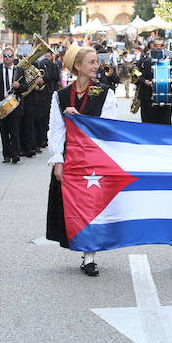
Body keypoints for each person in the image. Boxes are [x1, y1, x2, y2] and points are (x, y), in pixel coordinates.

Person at [46, 45, 117, 276]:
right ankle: (82, 247)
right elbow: (56, 130)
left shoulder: (105, 93)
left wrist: (82, 119)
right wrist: (58, 160)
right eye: (91, 62)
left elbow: (109, 128)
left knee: (92, 205)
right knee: (74, 206)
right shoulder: (61, 95)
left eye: (97, 62)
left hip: (94, 157)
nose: (96, 66)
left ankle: (90, 256)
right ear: (77, 66)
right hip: (71, 158)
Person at [0, 48, 25, 164]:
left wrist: (19, 85)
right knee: (3, 131)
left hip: (15, 103)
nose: (7, 58)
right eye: (5, 56)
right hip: (0, 103)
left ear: (13, 57)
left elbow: (26, 86)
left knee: (14, 130)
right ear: (2, 57)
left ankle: (15, 154)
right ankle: (6, 155)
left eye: (10, 56)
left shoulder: (19, 70)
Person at [136, 37, 172, 125]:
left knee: (165, 124)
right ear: (152, 46)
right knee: (149, 124)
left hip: (165, 98)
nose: (158, 47)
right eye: (156, 45)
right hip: (148, 97)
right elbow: (136, 76)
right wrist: (144, 81)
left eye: (160, 45)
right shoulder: (143, 61)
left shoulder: (170, 61)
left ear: (164, 46)